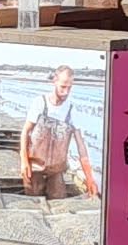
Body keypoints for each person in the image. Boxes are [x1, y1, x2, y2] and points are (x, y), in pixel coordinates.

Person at [19, 65, 97, 201]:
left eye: (69, 88)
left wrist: (90, 178)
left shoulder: (71, 110)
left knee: (60, 202)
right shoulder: (40, 103)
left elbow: (81, 146)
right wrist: (24, 161)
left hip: (56, 171)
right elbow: (25, 132)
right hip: (35, 168)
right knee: (34, 204)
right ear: (54, 81)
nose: (66, 92)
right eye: (63, 87)